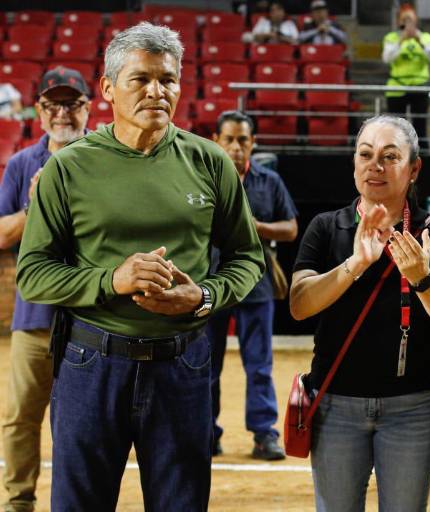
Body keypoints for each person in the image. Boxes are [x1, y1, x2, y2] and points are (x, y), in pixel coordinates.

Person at [15, 22, 264, 511]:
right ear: (108, 88)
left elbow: (247, 256)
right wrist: (113, 280)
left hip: (183, 362)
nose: (156, 91)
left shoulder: (210, 162)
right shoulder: (67, 168)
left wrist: (203, 296)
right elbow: (34, 273)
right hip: (91, 363)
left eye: (168, 79)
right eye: (141, 79)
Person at [289, 114, 430, 511]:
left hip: (414, 408)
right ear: (354, 163)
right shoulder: (326, 227)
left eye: (390, 156)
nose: (376, 166)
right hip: (336, 403)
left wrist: (421, 277)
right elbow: (299, 305)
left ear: (414, 169)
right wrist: (355, 264)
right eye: (365, 154)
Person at [0, 66, 90, 512]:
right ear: (38, 109)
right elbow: (2, 233)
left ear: (88, 107)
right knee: (20, 416)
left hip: (91, 318)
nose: (62, 113)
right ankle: (19, 502)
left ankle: (74, 503)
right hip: (34, 316)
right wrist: (36, 204)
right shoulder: (21, 164)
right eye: (53, 104)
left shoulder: (105, 157)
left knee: (81, 423)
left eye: (72, 104)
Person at [208, 110, 298, 460]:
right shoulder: (203, 177)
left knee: (259, 365)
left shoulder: (269, 181)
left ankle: (264, 434)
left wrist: (254, 227)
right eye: (228, 139)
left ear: (253, 143)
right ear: (216, 141)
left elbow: (290, 228)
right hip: (211, 283)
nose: (235, 146)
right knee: (206, 364)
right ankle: (206, 432)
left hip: (256, 284)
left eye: (242, 140)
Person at [382, 4, 430, 149]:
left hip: (420, 86)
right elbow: (387, 58)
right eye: (404, 19)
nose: (407, 23)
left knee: (420, 126)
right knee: (396, 128)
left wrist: (420, 40)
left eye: (410, 19)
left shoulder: (426, 37)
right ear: (399, 21)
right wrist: (401, 40)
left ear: (416, 21)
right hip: (397, 87)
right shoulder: (392, 38)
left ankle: (423, 154)